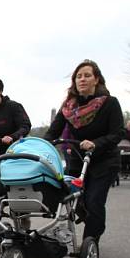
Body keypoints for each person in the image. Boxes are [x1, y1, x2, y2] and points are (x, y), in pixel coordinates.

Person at [44, 59, 125, 243]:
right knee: (70, 198)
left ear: (96, 79)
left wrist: (96, 143)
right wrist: (39, 146)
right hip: (77, 160)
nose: (82, 79)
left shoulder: (110, 103)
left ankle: (91, 241)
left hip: (104, 160)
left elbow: (118, 133)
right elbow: (53, 132)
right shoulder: (68, 107)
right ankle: (73, 227)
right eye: (78, 76)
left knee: (94, 201)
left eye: (87, 75)